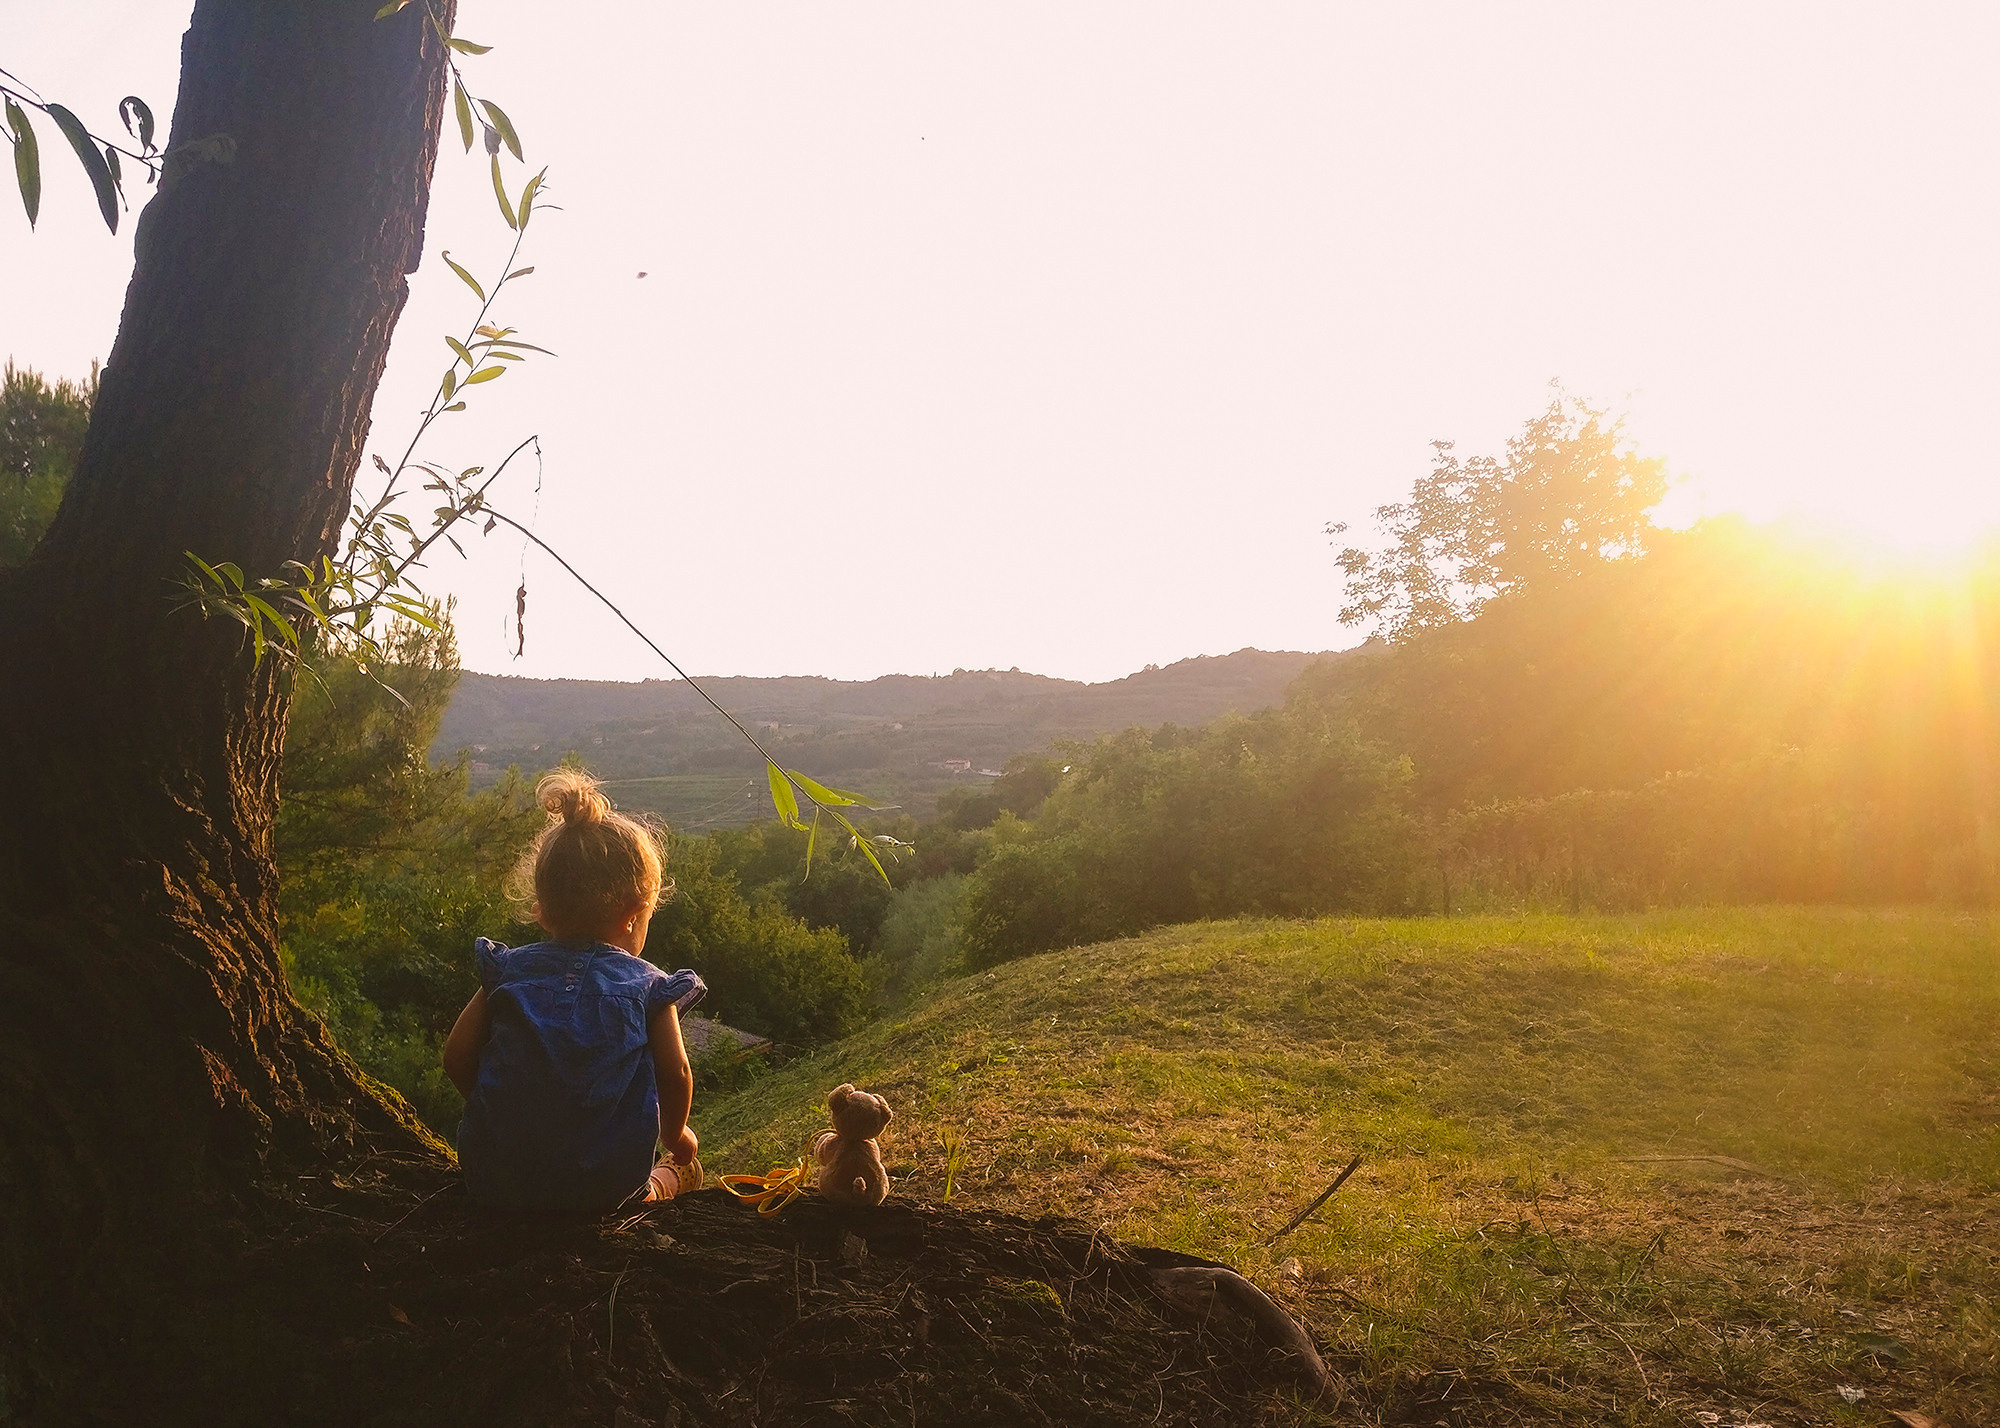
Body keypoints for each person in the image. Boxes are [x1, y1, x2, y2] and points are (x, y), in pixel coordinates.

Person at [442, 768, 707, 1212]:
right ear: (632, 914)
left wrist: (506, 1108)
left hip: (492, 1177)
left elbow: (455, 1060)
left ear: (542, 911)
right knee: (666, 1174)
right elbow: (676, 1074)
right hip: (603, 1191)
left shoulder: (507, 971)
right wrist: (676, 1137)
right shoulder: (648, 988)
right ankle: (665, 1183)